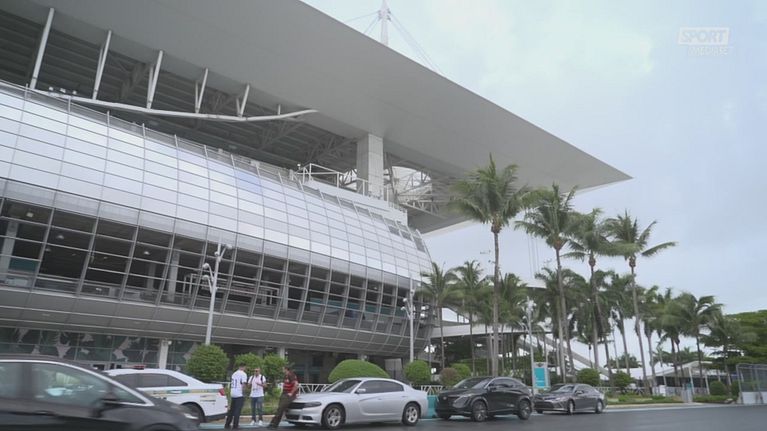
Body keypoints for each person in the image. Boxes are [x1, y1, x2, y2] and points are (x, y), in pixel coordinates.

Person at [224, 363, 248, 430]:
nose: (245, 369)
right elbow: (243, 384)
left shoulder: (234, 373)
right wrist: (244, 393)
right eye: (245, 367)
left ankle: (227, 424)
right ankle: (235, 426)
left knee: (231, 410)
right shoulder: (243, 374)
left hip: (233, 393)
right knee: (237, 411)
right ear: (243, 367)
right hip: (239, 394)